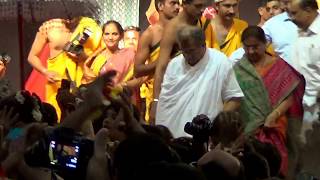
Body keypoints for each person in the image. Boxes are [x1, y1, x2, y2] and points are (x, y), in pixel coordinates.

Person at [233, 26, 305, 177]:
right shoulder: (238, 69)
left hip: (274, 126)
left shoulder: (279, 66)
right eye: (247, 47)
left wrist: (273, 115)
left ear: (265, 43)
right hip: (247, 130)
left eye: (255, 47)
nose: (251, 51)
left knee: (277, 165)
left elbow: (289, 97)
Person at [156, 26, 243, 137]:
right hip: (173, 135)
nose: (187, 55)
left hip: (205, 136)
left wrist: (215, 126)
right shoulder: (174, 65)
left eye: (191, 51)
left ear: (203, 45)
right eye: (184, 51)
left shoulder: (220, 62)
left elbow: (234, 99)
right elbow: (165, 102)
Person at [27, 17, 102, 121]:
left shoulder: (90, 25)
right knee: (57, 122)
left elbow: (100, 56)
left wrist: (84, 56)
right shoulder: (48, 27)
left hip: (82, 84)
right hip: (57, 84)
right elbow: (32, 56)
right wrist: (45, 71)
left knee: (83, 123)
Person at [152, 0, 213, 124]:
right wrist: (156, 102)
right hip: (179, 91)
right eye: (198, 6)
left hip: (202, 90)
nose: (202, 10)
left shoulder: (203, 22)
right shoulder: (173, 27)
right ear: (185, 4)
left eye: (203, 6)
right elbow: (161, 67)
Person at [134, 0, 180, 123]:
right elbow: (137, 70)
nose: (177, 7)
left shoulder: (183, 31)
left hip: (181, 92)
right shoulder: (150, 34)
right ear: (160, 6)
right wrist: (165, 60)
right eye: (173, 3)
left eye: (178, 4)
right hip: (157, 95)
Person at [290, 0, 319, 130]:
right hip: (300, 106)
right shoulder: (299, 32)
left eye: (295, 13)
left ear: (308, 11)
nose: (292, 18)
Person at [82, 20, 136, 87]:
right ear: (102, 36)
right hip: (96, 95)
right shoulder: (97, 57)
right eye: (107, 34)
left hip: (120, 95)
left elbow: (136, 79)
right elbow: (89, 79)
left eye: (114, 34)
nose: (110, 38)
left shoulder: (128, 56)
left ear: (121, 36)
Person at [262, 0, 298, 64]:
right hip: (289, 72)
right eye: (268, 9)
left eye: (275, 8)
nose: (271, 12)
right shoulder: (270, 25)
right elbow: (255, 45)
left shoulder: (316, 16)